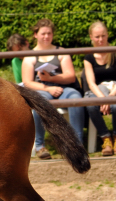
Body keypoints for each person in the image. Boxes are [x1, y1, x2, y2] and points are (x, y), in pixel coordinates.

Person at [22, 18, 84, 160]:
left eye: (49, 33)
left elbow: (70, 77)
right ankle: (40, 146)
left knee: (75, 98)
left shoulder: (61, 52)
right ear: (35, 35)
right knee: (39, 103)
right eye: (43, 33)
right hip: (43, 90)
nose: (46, 36)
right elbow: (27, 82)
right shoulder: (30, 56)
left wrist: (51, 80)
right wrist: (47, 88)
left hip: (63, 89)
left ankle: (77, 144)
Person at [83, 21, 116, 156]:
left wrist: (109, 98)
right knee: (91, 106)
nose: (100, 39)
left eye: (103, 36)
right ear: (91, 37)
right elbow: (90, 83)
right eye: (97, 37)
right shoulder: (88, 57)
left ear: (108, 35)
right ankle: (105, 138)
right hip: (98, 91)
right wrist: (103, 99)